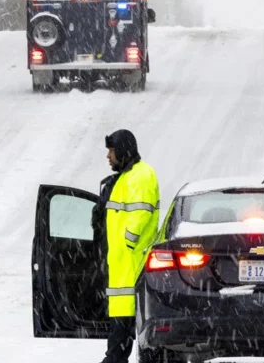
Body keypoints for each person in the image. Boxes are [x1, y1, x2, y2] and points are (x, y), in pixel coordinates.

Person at [98, 129, 160, 363]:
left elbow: (141, 213)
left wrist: (128, 241)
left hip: (132, 267)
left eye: (111, 151)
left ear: (123, 150)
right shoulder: (126, 176)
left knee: (119, 345)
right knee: (119, 343)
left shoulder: (140, 176)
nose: (108, 156)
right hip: (123, 270)